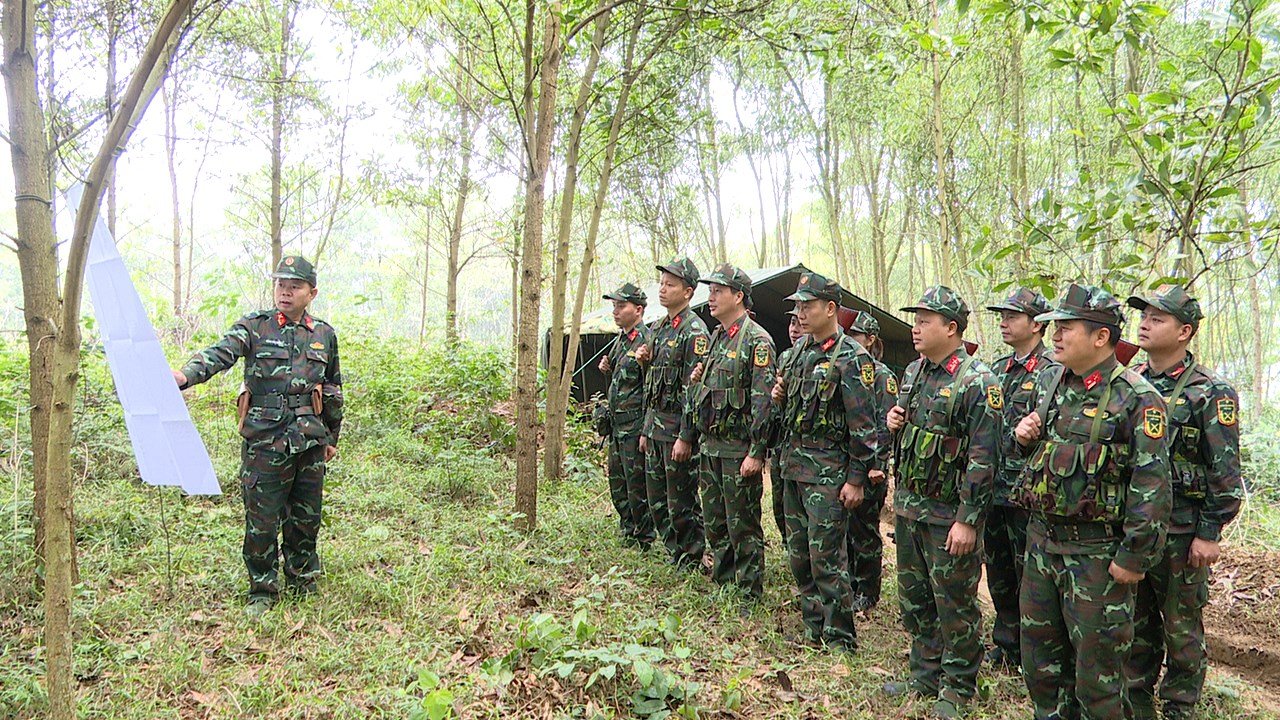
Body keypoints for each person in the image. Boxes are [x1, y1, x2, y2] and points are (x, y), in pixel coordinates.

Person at [1013, 283, 1171, 720]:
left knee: (1097, 678)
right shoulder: (1049, 381)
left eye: (1066, 327)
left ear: (1101, 337)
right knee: (1041, 666)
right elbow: (1050, 459)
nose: (1056, 336)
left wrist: (1133, 556)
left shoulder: (1138, 398)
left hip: (1097, 556)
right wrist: (1025, 437)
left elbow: (1153, 485)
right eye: (1053, 328)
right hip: (1042, 544)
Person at [171, 255, 343, 618]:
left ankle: (302, 579)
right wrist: (186, 377)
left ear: (311, 292)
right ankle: (262, 588)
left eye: (294, 286)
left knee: (306, 516)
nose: (285, 291)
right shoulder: (254, 327)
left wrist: (331, 437)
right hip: (266, 437)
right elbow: (220, 353)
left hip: (309, 438)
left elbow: (332, 387)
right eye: (281, 285)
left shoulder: (324, 334)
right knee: (262, 517)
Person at [1125, 285, 1243, 720]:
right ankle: (1135, 698)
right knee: (1136, 622)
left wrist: (1209, 533)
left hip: (1183, 532)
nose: (1145, 323)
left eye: (1158, 318)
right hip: (1137, 529)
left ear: (1184, 332)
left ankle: (1179, 705)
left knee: (1180, 627)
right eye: (1144, 315)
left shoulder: (1211, 391)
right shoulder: (1130, 382)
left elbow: (1225, 472)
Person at [884, 286, 1000, 719]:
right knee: (916, 599)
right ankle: (924, 674)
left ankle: (958, 684)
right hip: (912, 507)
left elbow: (984, 459)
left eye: (924, 321)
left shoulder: (977, 382)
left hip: (949, 516)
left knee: (954, 603)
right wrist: (895, 419)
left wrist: (968, 521)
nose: (915, 328)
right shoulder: (914, 373)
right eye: (915, 320)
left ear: (951, 328)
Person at [771, 272, 878, 651]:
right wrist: (780, 396)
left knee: (827, 559)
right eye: (797, 305)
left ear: (830, 308)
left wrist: (856, 479)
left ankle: (839, 637)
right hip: (794, 471)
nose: (799, 313)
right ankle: (812, 626)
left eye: (807, 305)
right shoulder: (800, 353)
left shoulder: (852, 357)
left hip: (828, 477)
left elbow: (863, 427)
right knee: (799, 555)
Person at [684, 263, 775, 602]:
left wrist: (757, 451)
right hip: (711, 447)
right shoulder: (717, 337)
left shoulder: (757, 340)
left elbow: (763, 403)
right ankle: (724, 585)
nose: (711, 298)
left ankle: (749, 592)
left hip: (738, 451)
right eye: (709, 291)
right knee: (716, 523)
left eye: (718, 291)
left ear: (738, 296)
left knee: (743, 526)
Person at [981, 287, 1058, 670]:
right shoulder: (997, 370)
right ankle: (1007, 644)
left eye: (1012, 316)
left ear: (1036, 324)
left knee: (1031, 576)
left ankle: (1035, 653)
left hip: (1028, 495)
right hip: (994, 489)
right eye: (1002, 316)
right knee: (998, 573)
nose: (1004, 322)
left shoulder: (1053, 372)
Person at [639, 259, 710, 570]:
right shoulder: (658, 328)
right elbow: (653, 385)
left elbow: (693, 390)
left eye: (670, 284)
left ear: (688, 292)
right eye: (662, 283)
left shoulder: (694, 331)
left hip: (676, 432)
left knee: (680, 499)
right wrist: (645, 428)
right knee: (658, 499)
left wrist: (686, 436)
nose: (663, 289)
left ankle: (691, 556)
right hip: (655, 428)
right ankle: (674, 552)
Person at [844, 310, 897, 613]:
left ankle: (868, 588)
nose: (850, 341)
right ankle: (851, 582)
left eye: (856, 336)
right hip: (850, 463)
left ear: (870, 339)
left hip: (872, 468)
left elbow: (884, 424)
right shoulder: (847, 367)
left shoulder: (880, 376)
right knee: (848, 527)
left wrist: (875, 463)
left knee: (865, 529)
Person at [599, 282, 654, 549]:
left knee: (637, 485)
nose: (616, 311)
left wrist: (646, 429)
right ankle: (628, 530)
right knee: (617, 481)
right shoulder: (621, 341)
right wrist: (607, 369)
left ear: (639, 310)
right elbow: (623, 381)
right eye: (614, 306)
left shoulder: (646, 340)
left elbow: (649, 387)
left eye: (621, 306)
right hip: (617, 427)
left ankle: (644, 537)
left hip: (634, 426)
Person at [767, 310, 806, 543]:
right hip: (783, 444)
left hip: (809, 451)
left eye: (800, 323)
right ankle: (788, 544)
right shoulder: (785, 358)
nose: (794, 329)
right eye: (792, 323)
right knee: (779, 501)